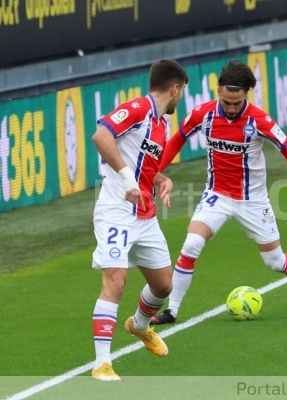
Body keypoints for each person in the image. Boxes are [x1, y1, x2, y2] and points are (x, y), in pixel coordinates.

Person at [150, 60, 287, 325]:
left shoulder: (260, 120)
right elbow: (175, 141)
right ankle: (172, 310)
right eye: (227, 101)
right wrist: (152, 176)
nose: (231, 108)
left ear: (246, 95)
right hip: (216, 195)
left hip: (253, 200)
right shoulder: (202, 114)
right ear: (218, 90)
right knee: (191, 244)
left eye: (237, 103)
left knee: (274, 261)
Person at [90, 59, 188, 381]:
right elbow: (101, 136)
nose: (180, 99)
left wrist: (161, 180)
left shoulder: (161, 124)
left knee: (163, 285)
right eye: (181, 92)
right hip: (117, 210)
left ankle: (140, 325)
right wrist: (126, 179)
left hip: (145, 215)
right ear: (175, 88)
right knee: (116, 280)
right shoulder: (136, 109)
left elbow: (141, 164)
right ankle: (102, 364)